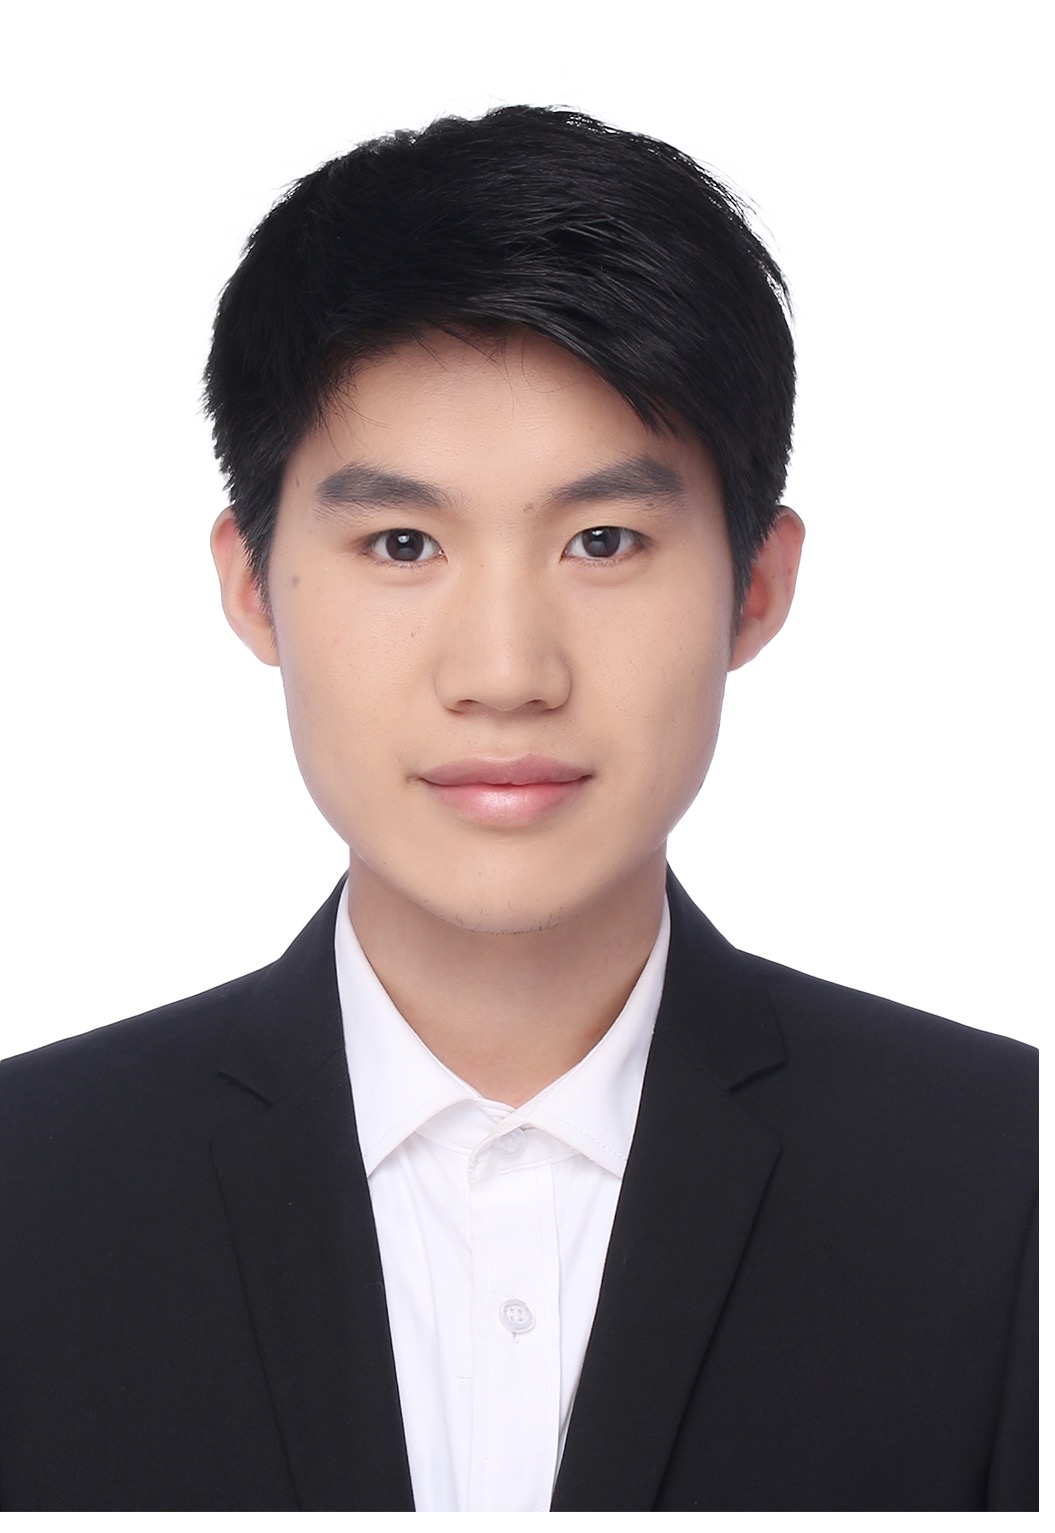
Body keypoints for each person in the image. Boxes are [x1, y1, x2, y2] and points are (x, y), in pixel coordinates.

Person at [0, 107, 1036, 1512]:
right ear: (252, 586)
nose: (505, 672)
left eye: (603, 540)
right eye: (402, 542)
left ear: (755, 586)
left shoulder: (1009, 1181)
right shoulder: (29, 1187)